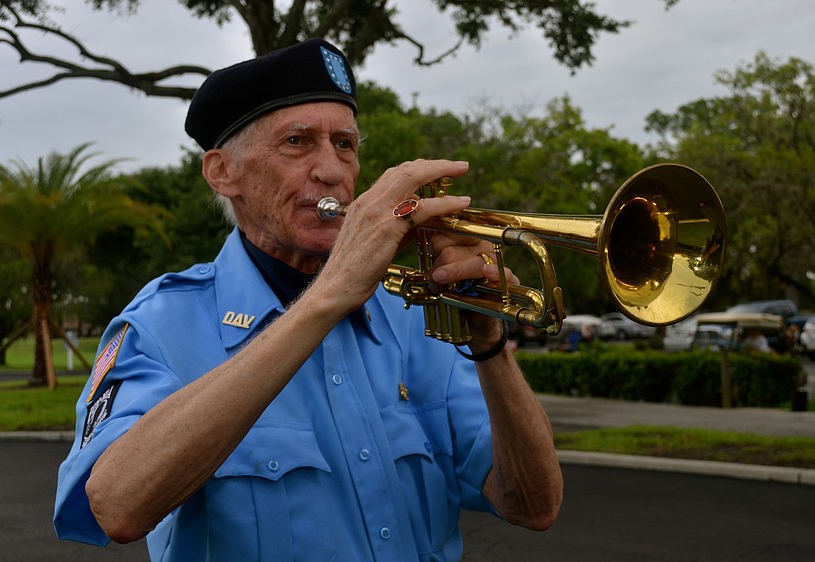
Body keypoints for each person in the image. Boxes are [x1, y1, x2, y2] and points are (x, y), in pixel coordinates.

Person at [54, 38, 563, 561]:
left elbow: (532, 505)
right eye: (297, 142)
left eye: (345, 144)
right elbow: (115, 507)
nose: (332, 171)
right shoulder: (159, 324)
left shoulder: (415, 316)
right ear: (222, 172)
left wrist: (488, 339)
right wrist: (330, 294)